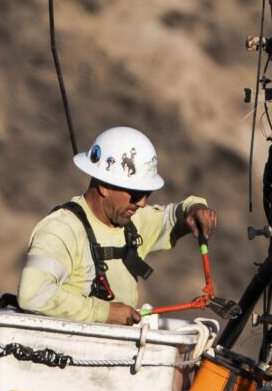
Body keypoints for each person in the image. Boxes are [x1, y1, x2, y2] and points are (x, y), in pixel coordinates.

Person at [19, 124, 213, 324]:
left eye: (148, 194)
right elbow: (33, 294)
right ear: (104, 186)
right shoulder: (61, 229)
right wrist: (106, 313)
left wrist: (195, 207)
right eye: (136, 194)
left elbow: (175, 216)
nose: (142, 203)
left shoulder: (133, 221)